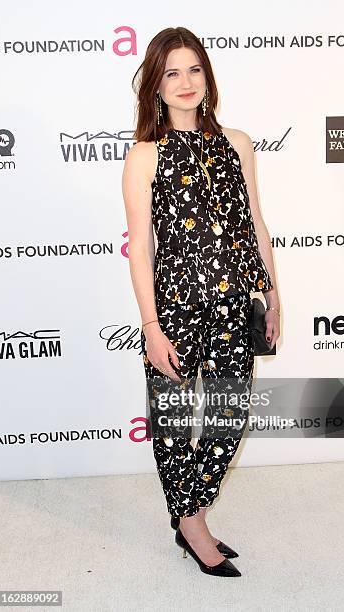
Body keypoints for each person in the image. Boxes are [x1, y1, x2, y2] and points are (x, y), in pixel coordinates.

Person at [122, 27, 280, 577]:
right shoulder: (145, 155)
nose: (186, 82)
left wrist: (273, 293)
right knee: (170, 420)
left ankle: (191, 513)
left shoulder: (237, 142)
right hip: (173, 308)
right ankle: (191, 525)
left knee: (227, 416)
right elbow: (139, 246)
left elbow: (255, 223)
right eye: (172, 73)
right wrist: (151, 326)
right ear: (156, 87)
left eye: (194, 70)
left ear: (208, 76)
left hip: (236, 302)